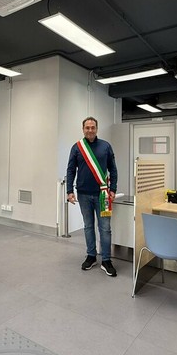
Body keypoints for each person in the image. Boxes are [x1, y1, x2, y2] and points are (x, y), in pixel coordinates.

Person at [66, 116, 118, 277]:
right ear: (83, 129)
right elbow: (70, 170)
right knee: (88, 226)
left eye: (93, 127)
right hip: (83, 194)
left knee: (105, 228)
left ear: (96, 129)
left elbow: (113, 169)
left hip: (103, 195)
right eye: (87, 127)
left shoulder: (105, 146)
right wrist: (69, 191)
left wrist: (113, 189)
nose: (90, 130)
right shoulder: (77, 147)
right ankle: (91, 256)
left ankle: (106, 260)